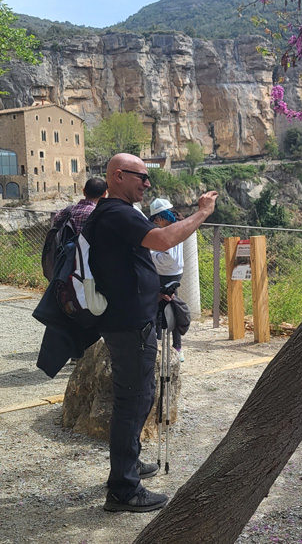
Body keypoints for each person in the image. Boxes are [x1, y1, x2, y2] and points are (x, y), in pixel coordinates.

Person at [82, 153, 218, 513]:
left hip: (127, 318)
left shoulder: (111, 213)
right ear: (117, 176)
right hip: (130, 324)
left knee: (137, 398)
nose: (147, 183)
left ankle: (127, 465)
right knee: (134, 400)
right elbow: (163, 240)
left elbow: (124, 263)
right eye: (140, 176)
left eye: (147, 177)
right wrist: (202, 213)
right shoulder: (118, 213)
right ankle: (124, 489)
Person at [149, 198, 186, 362]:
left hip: (164, 274)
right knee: (173, 308)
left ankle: (157, 348)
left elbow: (168, 258)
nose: (157, 223)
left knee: (158, 310)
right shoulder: (179, 226)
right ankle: (177, 347)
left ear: (161, 217)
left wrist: (151, 255)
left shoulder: (168, 231)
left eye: (157, 219)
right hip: (176, 273)